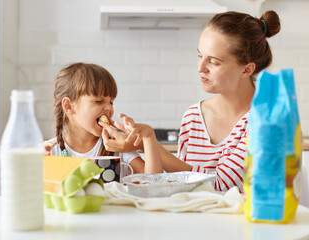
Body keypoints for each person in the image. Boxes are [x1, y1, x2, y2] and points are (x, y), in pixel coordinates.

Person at [99, 10, 281, 192]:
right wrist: (144, 141)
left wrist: (146, 143)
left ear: (246, 70)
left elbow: (221, 186)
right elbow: (181, 184)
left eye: (214, 62)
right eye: (200, 56)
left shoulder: (265, 120)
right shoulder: (193, 116)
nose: (200, 68)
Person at [44, 62, 163, 174]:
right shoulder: (50, 151)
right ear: (68, 106)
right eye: (98, 101)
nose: (109, 108)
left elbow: (152, 181)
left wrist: (148, 136)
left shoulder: (116, 147)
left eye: (111, 102)